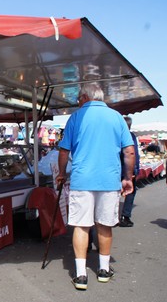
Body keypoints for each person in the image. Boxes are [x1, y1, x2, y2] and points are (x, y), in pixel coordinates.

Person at [56, 83, 135, 290]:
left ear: (84, 97)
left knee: (81, 225)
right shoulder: (117, 117)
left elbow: (64, 151)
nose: (78, 103)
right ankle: (103, 269)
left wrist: (62, 174)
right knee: (104, 224)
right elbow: (129, 151)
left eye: (79, 99)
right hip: (109, 180)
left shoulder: (76, 117)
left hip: (82, 180)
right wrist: (128, 177)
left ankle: (81, 275)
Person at [119, 116, 140, 227]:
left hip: (116, 169)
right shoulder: (130, 136)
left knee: (114, 193)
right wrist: (134, 171)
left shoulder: (115, 135)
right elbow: (132, 153)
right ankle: (125, 216)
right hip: (127, 169)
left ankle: (112, 216)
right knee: (130, 192)